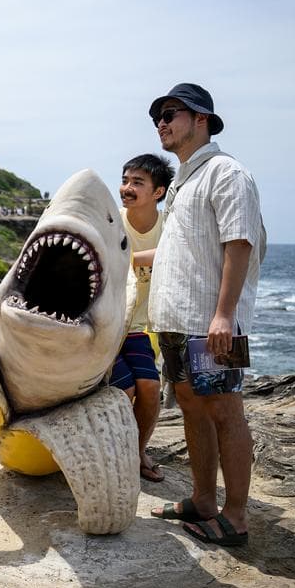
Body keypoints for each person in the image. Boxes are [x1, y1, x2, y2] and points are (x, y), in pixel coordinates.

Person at [145, 83, 265, 547]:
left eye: (171, 112)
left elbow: (239, 243)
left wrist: (224, 316)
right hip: (176, 319)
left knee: (225, 413)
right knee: (192, 409)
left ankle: (235, 518)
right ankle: (202, 500)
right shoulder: (183, 179)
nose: (161, 121)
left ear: (201, 120)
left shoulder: (226, 172)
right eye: (158, 115)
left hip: (211, 321)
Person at [108, 153, 173, 483]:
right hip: (106, 324)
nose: (126, 188)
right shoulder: (111, 221)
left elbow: (178, 254)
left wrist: (128, 258)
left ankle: (137, 451)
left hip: (142, 327)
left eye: (137, 182)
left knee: (150, 386)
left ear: (158, 192)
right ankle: (113, 455)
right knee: (125, 389)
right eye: (125, 180)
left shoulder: (168, 226)